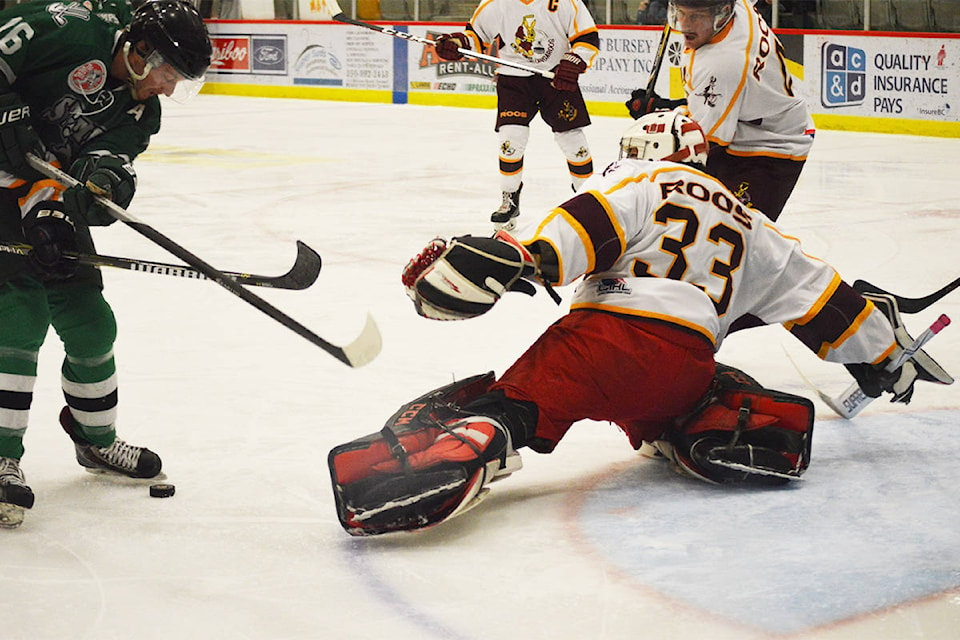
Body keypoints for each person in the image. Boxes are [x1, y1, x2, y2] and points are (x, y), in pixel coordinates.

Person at [327, 111, 952, 536]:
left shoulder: (641, 182)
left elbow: (583, 232)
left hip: (600, 345)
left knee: (518, 401)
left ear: (646, 153)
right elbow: (824, 303)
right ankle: (701, 420)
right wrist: (884, 356)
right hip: (685, 362)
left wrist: (525, 259)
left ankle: (466, 449)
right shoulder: (753, 224)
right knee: (691, 388)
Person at [0, 0, 212, 527]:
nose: (167, 87)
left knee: (92, 324)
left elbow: (110, 158)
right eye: (168, 73)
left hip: (40, 188)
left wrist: (102, 185)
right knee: (19, 319)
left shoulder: (140, 110)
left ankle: (95, 442)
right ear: (141, 52)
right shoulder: (69, 29)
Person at [625, 0, 814, 222]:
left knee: (733, 232)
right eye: (680, 13)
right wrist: (667, 106)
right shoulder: (737, 7)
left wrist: (662, 112)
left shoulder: (722, 64)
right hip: (746, 120)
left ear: (722, 14)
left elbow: (703, 143)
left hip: (771, 147)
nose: (684, 24)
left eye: (695, 16)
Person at [433, 0, 601, 231]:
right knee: (511, 140)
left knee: (572, 140)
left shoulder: (564, 2)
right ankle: (509, 199)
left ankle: (589, 199)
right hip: (513, 78)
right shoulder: (496, 3)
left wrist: (574, 61)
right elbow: (476, 37)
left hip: (554, 75)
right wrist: (457, 43)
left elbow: (587, 38)